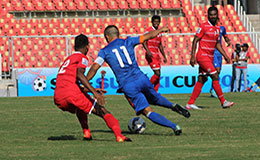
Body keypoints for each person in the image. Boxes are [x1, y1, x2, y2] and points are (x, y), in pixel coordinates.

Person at [87, 25, 190, 136]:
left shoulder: (104, 51)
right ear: (118, 34)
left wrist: (85, 80)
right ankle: (173, 105)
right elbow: (147, 36)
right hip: (141, 78)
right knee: (155, 98)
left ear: (107, 37)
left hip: (128, 84)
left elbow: (94, 67)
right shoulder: (128, 41)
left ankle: (174, 126)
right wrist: (160, 30)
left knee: (148, 112)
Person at [54, 34, 131, 142]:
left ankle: (87, 133)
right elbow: (80, 74)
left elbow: (70, 81)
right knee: (102, 110)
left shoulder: (69, 59)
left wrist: (88, 90)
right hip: (71, 93)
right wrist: (95, 93)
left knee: (80, 108)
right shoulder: (82, 57)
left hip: (58, 97)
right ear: (87, 47)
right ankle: (119, 136)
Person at [186, 6, 234, 110]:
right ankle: (223, 102)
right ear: (208, 15)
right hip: (202, 56)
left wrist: (225, 55)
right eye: (211, 15)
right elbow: (195, 40)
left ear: (217, 15)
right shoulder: (203, 26)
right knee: (215, 75)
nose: (212, 16)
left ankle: (190, 103)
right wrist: (192, 56)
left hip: (210, 57)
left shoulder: (218, 29)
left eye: (214, 15)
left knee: (202, 79)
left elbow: (217, 44)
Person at [143, 15, 167, 92]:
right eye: (155, 22)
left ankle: (155, 93)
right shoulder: (149, 31)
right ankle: (146, 89)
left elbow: (160, 45)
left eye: (157, 22)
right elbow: (143, 41)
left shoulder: (159, 33)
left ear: (159, 22)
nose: (156, 23)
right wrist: (148, 51)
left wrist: (164, 56)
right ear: (152, 22)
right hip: (150, 54)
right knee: (157, 73)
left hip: (156, 55)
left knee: (158, 75)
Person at [209, 19, 231, 97]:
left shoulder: (222, 28)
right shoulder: (210, 29)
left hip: (220, 52)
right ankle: (214, 89)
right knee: (216, 70)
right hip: (213, 52)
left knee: (218, 72)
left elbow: (225, 37)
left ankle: (213, 89)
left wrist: (228, 41)